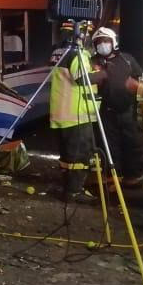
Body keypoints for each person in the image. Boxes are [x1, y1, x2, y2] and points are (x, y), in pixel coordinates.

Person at [49, 21, 105, 202]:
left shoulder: (58, 52)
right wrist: (104, 74)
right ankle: (74, 192)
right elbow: (82, 79)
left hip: (62, 113)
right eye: (86, 33)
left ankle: (68, 188)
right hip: (76, 115)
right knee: (80, 155)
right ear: (79, 34)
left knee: (67, 156)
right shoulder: (76, 54)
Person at [90, 26, 143, 187]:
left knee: (132, 143)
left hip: (128, 110)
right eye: (99, 42)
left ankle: (134, 176)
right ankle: (113, 178)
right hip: (106, 112)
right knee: (109, 146)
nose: (102, 45)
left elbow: (140, 80)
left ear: (113, 42)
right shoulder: (92, 62)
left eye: (106, 41)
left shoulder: (127, 59)